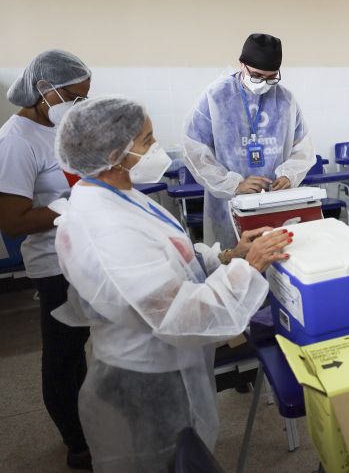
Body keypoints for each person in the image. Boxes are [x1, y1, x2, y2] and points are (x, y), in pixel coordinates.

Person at [52, 96, 292, 472]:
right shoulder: (104, 225)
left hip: (169, 365)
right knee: (162, 462)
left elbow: (173, 259)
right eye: (148, 141)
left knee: (186, 456)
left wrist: (230, 256)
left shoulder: (119, 194)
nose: (157, 149)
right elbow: (178, 315)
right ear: (116, 153)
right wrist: (250, 268)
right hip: (145, 378)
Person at [0, 50, 92, 470]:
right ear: (44, 90)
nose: (77, 106)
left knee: (77, 349)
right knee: (60, 353)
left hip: (79, 256)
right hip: (52, 265)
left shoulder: (53, 128)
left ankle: (90, 423)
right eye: (72, 97)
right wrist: (70, 207)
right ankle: (77, 444)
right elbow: (13, 221)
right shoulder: (14, 142)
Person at [183, 33, 315, 249]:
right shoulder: (217, 97)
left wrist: (289, 175)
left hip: (273, 201)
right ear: (241, 64)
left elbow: (303, 148)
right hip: (227, 205)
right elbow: (194, 150)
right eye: (256, 75)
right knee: (233, 265)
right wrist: (234, 184)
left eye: (271, 77)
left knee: (275, 261)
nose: (263, 83)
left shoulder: (285, 100)